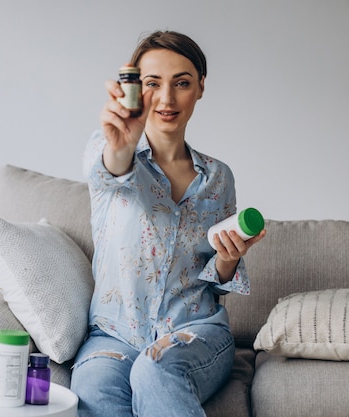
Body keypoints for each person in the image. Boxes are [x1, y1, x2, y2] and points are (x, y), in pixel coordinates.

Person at [70, 30, 266, 417]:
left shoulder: (218, 178)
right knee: (95, 390)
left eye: (182, 83)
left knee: (155, 368)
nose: (166, 98)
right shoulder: (108, 150)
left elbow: (215, 283)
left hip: (196, 332)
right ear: (136, 91)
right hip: (114, 335)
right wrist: (122, 143)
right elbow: (112, 169)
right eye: (152, 84)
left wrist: (227, 259)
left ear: (201, 87)